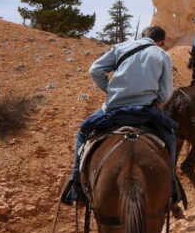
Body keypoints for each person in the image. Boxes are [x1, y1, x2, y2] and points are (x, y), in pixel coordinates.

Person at [60, 25, 174, 206]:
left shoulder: (121, 48)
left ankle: (76, 187)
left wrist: (111, 90)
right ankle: (173, 185)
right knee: (170, 136)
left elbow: (95, 70)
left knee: (83, 132)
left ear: (141, 36)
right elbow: (167, 93)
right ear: (160, 42)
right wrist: (154, 99)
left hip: (114, 108)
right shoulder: (162, 55)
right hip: (145, 109)